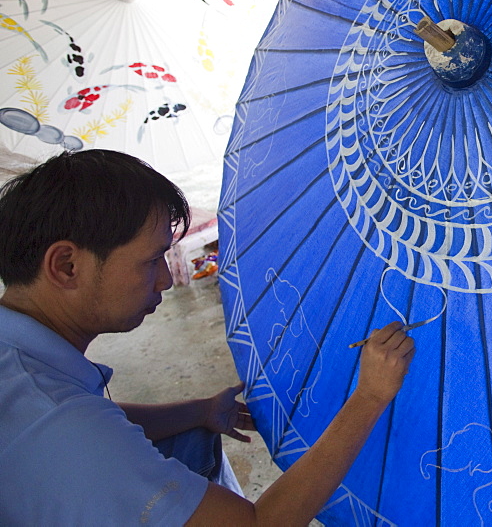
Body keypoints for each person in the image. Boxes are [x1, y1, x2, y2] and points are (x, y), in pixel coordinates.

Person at [0, 149, 415, 525]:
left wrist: (196, 411)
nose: (165, 279)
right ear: (67, 266)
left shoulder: (22, 363)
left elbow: (96, 420)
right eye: (150, 260)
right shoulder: (60, 423)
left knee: (190, 440)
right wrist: (370, 397)